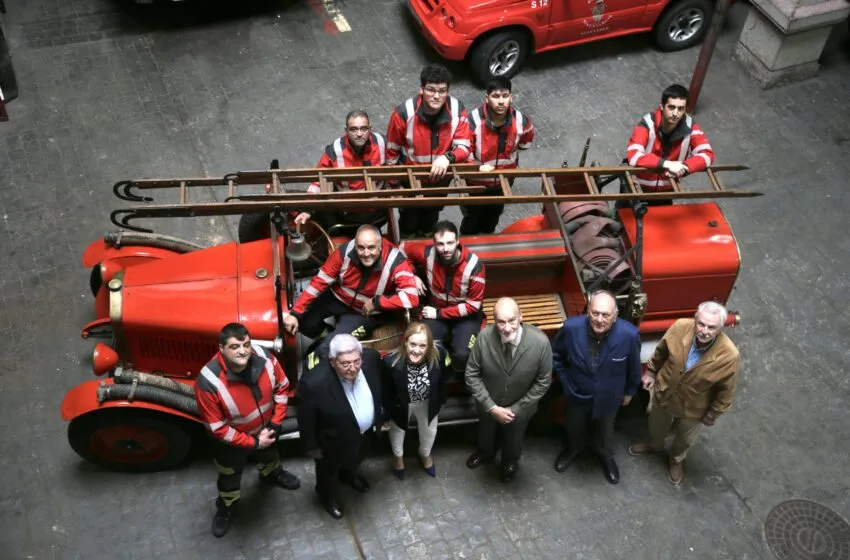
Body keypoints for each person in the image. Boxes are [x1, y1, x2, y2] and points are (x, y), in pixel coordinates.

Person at [195, 323, 301, 538]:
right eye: (234, 347)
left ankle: (271, 474)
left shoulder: (265, 358)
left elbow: (282, 387)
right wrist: (254, 443)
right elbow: (218, 428)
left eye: (246, 344)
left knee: (270, 457)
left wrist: (275, 423)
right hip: (230, 443)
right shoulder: (208, 382)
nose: (243, 351)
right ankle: (227, 506)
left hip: (266, 429)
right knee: (229, 475)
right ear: (221, 348)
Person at [629, 301, 739, 484]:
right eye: (701, 324)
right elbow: (661, 351)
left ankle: (676, 459)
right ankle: (655, 445)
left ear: (720, 328)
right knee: (656, 423)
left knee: (685, 438)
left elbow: (726, 390)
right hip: (665, 392)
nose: (704, 331)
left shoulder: (729, 356)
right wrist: (651, 372)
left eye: (711, 327)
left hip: (695, 406)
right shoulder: (680, 327)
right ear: (695, 319)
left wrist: (713, 413)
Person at [283, 224, 419, 358]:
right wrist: (295, 313)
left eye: (371, 247)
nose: (366, 253)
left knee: (331, 347)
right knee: (303, 322)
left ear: (380, 245)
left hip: (364, 313)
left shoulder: (395, 261)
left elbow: (412, 298)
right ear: (355, 244)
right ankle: (326, 336)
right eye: (361, 248)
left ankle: (321, 350)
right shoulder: (343, 253)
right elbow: (318, 283)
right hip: (337, 298)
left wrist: (377, 303)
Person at [551, 291, 641, 485]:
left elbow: (633, 368)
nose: (599, 319)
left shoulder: (629, 335)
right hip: (577, 393)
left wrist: (630, 391)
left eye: (605, 315)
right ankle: (574, 448)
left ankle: (605, 455)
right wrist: (566, 383)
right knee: (574, 425)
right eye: (595, 313)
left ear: (615, 315)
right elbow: (556, 357)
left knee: (606, 430)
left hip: (609, 396)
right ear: (588, 311)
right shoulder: (571, 328)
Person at [465, 297, 552, 482]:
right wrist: (491, 407)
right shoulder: (484, 338)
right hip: (488, 404)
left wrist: (516, 409)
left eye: (512, 320)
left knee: (515, 437)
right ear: (494, 321)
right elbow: (471, 374)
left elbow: (543, 382)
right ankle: (485, 452)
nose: (507, 328)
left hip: (521, 408)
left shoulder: (541, 342)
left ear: (521, 316)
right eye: (501, 322)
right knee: (486, 430)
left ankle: (510, 461)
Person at [296, 334, 383, 519]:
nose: (353, 368)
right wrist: (312, 447)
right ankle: (326, 497)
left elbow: (380, 387)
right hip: (332, 443)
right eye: (345, 364)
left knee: (356, 459)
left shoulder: (371, 359)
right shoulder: (313, 383)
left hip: (365, 435)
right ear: (332, 361)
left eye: (356, 361)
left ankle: (349, 476)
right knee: (328, 473)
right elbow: (306, 419)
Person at [386, 63, 471, 238]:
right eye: (431, 90)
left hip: (439, 182)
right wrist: (395, 185)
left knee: (431, 218)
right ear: (421, 89)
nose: (436, 96)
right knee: (408, 221)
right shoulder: (403, 114)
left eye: (442, 91)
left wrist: (448, 157)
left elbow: (464, 147)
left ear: (448, 91)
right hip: (411, 181)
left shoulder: (457, 110)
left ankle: (425, 240)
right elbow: (391, 152)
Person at [402, 220, 485, 377]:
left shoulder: (474, 266)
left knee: (463, 355)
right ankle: (437, 375)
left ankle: (456, 376)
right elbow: (402, 250)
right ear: (434, 243)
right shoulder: (428, 253)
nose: (446, 249)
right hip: (435, 309)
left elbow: (473, 306)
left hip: (465, 316)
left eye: (450, 243)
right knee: (424, 346)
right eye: (440, 244)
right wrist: (412, 275)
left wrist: (439, 314)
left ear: (458, 241)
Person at [463, 77, 535, 235]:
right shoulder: (472, 122)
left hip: (504, 181)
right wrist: (477, 167)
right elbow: (465, 152)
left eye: (505, 96)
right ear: (487, 98)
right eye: (496, 96)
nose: (501, 101)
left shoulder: (522, 122)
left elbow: (525, 143)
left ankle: (488, 235)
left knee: (493, 216)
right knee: (471, 217)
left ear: (511, 97)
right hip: (476, 182)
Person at [294, 110, 387, 230]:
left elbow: (398, 163)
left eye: (363, 129)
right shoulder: (335, 151)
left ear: (370, 128)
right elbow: (319, 181)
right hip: (347, 216)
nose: (359, 134)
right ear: (346, 130)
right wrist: (307, 210)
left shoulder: (383, 143)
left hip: (378, 214)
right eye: (353, 129)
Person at [625, 84, 715, 205]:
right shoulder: (648, 123)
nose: (675, 113)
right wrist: (668, 164)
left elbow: (707, 155)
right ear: (662, 106)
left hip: (666, 191)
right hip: (636, 188)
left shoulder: (690, 127)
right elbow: (633, 155)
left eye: (680, 109)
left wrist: (685, 167)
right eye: (671, 107)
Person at [382, 322, 449, 480]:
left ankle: (425, 454)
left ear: (429, 346)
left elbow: (443, 378)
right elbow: (386, 390)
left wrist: (440, 400)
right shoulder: (390, 361)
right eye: (413, 344)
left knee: (430, 431)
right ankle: (398, 457)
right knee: (398, 431)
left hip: (427, 401)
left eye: (422, 346)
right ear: (405, 342)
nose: (417, 350)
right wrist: (387, 413)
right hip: (401, 403)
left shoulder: (439, 354)